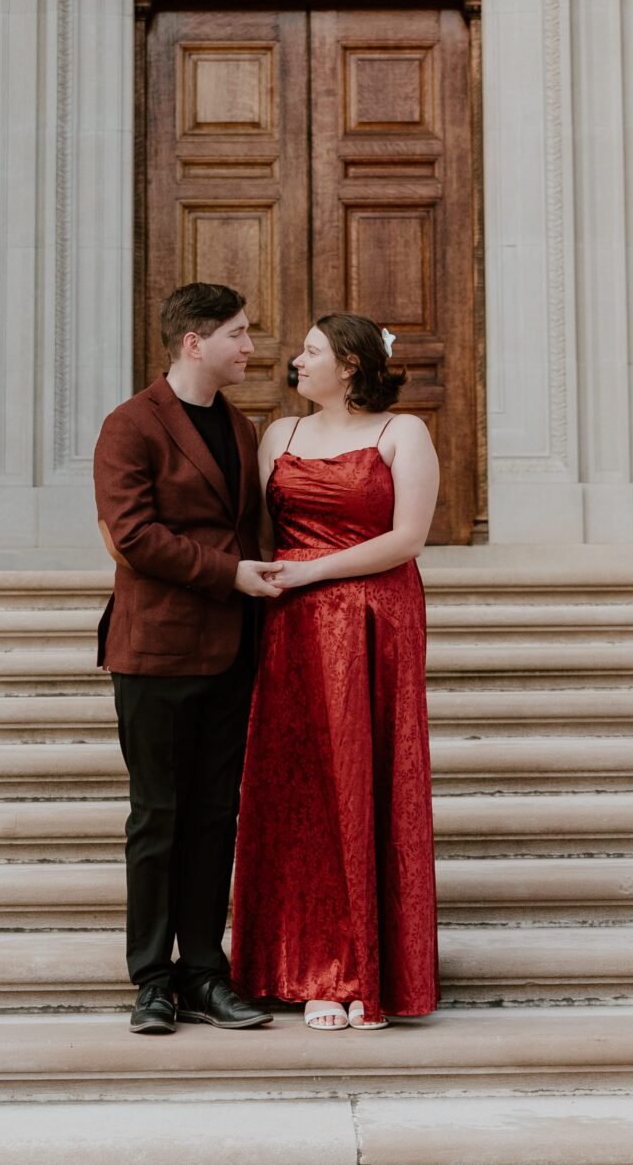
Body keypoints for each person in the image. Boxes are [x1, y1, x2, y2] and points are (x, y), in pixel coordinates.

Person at [229, 312, 441, 1030]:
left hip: (376, 619)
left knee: (369, 781)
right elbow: (261, 535)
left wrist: (313, 570)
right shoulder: (276, 437)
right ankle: (314, 964)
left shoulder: (401, 434)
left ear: (349, 366)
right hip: (291, 627)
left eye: (311, 350)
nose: (296, 359)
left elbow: (408, 536)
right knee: (306, 789)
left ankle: (368, 969)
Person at [92, 282, 285, 1035]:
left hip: (232, 650)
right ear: (193, 342)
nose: (250, 346)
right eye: (237, 333)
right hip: (155, 652)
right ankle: (152, 980)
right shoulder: (130, 424)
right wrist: (228, 572)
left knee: (214, 815)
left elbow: (251, 528)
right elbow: (132, 534)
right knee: (158, 817)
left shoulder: (241, 427)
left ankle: (205, 970)